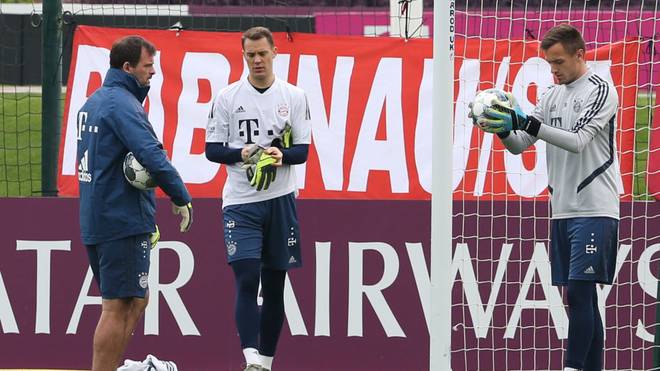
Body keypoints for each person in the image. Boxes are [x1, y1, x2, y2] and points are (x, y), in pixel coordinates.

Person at [474, 24, 620, 371]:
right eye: (548, 63)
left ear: (580, 55)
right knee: (585, 298)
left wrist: (524, 122)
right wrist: (502, 129)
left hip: (595, 207)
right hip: (561, 211)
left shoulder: (601, 90)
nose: (553, 70)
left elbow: (578, 140)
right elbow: (520, 145)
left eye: (558, 62)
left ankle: (570, 366)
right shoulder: (551, 95)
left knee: (579, 294)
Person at [77, 35, 193, 371]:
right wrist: (180, 196)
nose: (153, 73)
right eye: (147, 66)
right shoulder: (123, 106)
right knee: (118, 305)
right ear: (127, 68)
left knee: (136, 300)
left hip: (101, 216)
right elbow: (151, 155)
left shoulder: (93, 103)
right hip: (120, 219)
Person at [205, 26, 311, 371]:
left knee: (276, 284)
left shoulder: (293, 96)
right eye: (250, 55)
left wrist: (281, 156)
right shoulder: (227, 98)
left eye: (262, 53)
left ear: (274, 53)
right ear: (243, 56)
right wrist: (243, 152)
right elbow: (212, 150)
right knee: (247, 276)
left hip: (280, 199)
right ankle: (250, 356)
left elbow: (302, 151)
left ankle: (265, 362)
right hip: (240, 200)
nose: (257, 60)